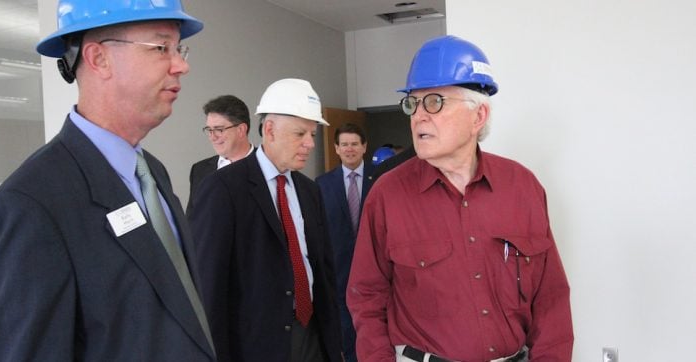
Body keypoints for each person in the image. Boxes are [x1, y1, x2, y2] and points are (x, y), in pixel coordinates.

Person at [0, 1, 216, 361]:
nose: (182, 64)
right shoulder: (30, 204)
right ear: (99, 58)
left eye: (178, 48)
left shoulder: (152, 172)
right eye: (160, 47)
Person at [347, 35, 573, 361]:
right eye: (413, 103)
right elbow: (366, 298)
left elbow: (550, 297)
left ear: (478, 116)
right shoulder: (387, 195)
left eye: (435, 102)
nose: (418, 116)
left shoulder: (523, 187)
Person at [190, 78, 341, 361]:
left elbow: (324, 274)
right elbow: (209, 286)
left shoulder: (309, 191)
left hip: (312, 336)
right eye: (300, 134)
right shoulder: (223, 188)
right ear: (269, 130)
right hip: (257, 344)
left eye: (312, 133)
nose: (310, 144)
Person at [315, 122, 373, 362]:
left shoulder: (380, 179)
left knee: (372, 324)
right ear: (337, 149)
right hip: (337, 271)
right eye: (345, 144)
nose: (350, 149)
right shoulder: (321, 185)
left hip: (373, 268)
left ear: (364, 147)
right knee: (345, 329)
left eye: (354, 144)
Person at [186, 95, 254, 215]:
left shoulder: (269, 167)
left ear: (241, 130)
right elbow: (192, 223)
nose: (213, 137)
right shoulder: (199, 170)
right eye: (209, 130)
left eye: (219, 129)